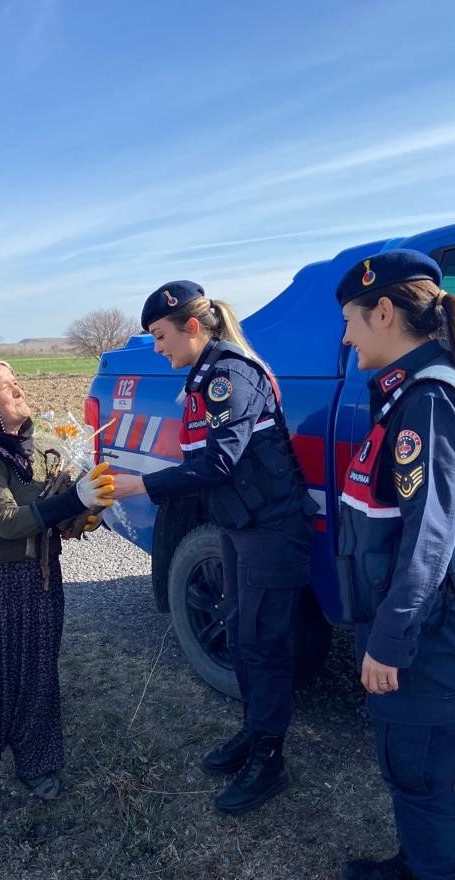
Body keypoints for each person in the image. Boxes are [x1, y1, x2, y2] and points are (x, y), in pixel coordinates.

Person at [335, 249, 455, 880]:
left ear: (383, 311)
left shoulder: (427, 397)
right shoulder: (410, 390)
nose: (346, 339)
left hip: (425, 626)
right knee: (403, 755)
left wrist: (390, 641)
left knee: (422, 767)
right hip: (411, 616)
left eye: (350, 321)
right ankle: (414, 866)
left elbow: (428, 540)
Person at [112, 281, 316, 815]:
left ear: (193, 327)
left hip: (270, 529)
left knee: (265, 644)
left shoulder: (230, 376)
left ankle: (270, 760)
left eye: (160, 336)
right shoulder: (206, 375)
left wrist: (142, 485)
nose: (157, 348)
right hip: (239, 524)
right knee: (242, 635)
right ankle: (255, 732)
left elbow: (220, 463)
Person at [0, 358, 114, 831]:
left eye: (17, 381)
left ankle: (36, 763)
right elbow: (9, 521)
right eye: (4, 386)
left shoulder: (24, 448)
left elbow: (42, 507)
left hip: (36, 578)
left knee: (38, 677)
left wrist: (80, 507)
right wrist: (74, 500)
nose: (18, 389)